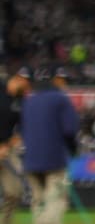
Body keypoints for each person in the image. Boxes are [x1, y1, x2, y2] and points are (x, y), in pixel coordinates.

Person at [17, 68, 78, 224]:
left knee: (38, 201)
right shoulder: (60, 99)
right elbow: (69, 129)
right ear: (57, 81)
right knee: (55, 201)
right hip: (54, 160)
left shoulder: (29, 101)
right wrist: (73, 149)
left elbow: (22, 131)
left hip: (30, 161)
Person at [0, 69, 30, 224]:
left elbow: (22, 128)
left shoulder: (21, 100)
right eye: (24, 81)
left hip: (6, 150)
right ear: (17, 78)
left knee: (15, 191)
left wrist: (9, 143)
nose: (27, 85)